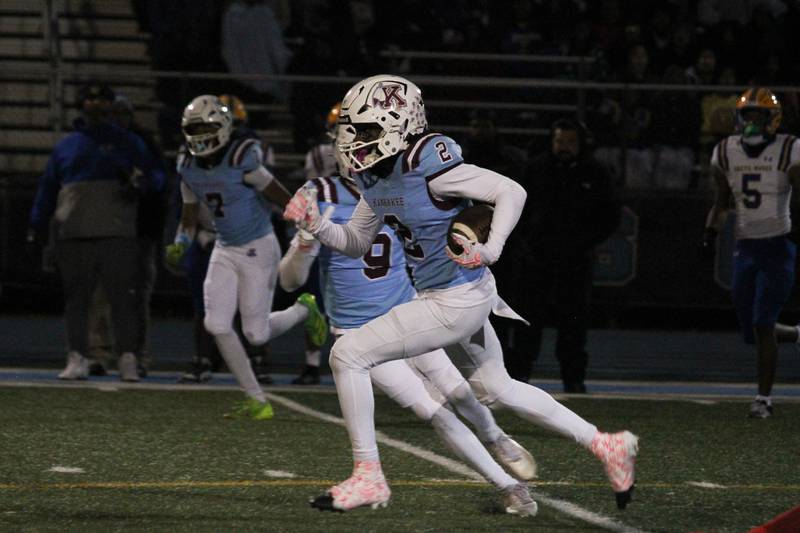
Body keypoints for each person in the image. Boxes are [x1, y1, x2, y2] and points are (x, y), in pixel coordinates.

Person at [284, 75, 639, 512]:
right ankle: (607, 445)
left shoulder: (427, 161)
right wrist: (316, 225)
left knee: (348, 354)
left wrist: (492, 247)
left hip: (453, 300)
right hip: (454, 294)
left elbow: (511, 191)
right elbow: (357, 241)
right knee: (498, 386)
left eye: (367, 129)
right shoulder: (378, 178)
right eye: (355, 130)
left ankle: (368, 475)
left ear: (399, 124)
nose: (356, 140)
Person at [279, 171, 538, 516]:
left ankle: (495, 436)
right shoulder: (321, 193)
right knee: (431, 409)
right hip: (359, 331)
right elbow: (289, 280)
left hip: (409, 311)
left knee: (457, 389)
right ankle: (509, 486)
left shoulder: (398, 185)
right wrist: (306, 238)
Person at [167, 95, 327, 419]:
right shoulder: (188, 166)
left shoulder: (242, 156)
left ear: (223, 127)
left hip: (258, 246)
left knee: (256, 333)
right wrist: (180, 241)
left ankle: (302, 311)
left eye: (205, 127)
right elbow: (189, 213)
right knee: (216, 323)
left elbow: (277, 192)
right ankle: (256, 399)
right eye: (194, 128)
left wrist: (303, 217)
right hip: (224, 247)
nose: (199, 134)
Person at [27, 82, 166, 382]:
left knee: (122, 300)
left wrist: (140, 183)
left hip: (117, 231)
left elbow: (156, 177)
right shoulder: (68, 145)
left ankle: (127, 357)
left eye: (101, 104)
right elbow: (49, 188)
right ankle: (78, 354)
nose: (98, 110)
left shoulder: (128, 142)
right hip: (75, 232)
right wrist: (37, 224)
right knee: (78, 299)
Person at [499, 119, 620, 392]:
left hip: (575, 262)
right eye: (559, 141)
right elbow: (514, 209)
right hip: (536, 260)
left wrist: (586, 243)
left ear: (580, 144)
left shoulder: (595, 172)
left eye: (569, 142)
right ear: (551, 142)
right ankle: (519, 380)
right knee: (526, 322)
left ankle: (574, 380)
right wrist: (526, 244)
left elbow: (610, 215)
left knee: (574, 325)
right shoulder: (535, 169)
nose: (563, 147)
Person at [701, 87, 800, 419]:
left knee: (762, 322)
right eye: (748, 116)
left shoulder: (790, 148)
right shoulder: (726, 152)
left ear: (773, 120)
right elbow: (721, 202)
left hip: (778, 246)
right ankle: (798, 333)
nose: (752, 123)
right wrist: (709, 233)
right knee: (751, 330)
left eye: (759, 116)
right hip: (746, 248)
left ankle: (763, 399)